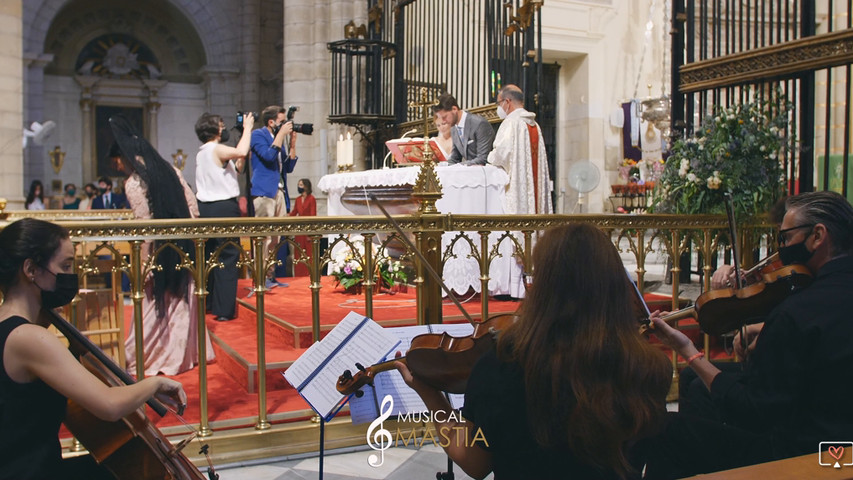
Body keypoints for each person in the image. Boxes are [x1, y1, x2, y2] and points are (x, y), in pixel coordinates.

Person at [396, 223, 672, 479]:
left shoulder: (504, 365)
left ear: (544, 289)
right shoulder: (649, 366)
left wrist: (429, 393)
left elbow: (475, 463)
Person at [644, 191, 853, 478]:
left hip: (805, 456)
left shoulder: (797, 312)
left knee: (663, 428)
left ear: (818, 236)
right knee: (697, 387)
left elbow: (753, 410)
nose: (780, 251)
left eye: (785, 238)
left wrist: (688, 351)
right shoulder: (815, 300)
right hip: (838, 433)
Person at [0, 218, 186, 479]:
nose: (70, 276)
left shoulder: (10, 327)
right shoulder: (29, 338)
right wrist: (153, 385)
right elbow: (108, 406)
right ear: (31, 269)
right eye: (65, 266)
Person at [108, 116, 215, 375]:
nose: (119, 166)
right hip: (182, 246)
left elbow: (145, 228)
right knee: (181, 302)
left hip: (159, 252)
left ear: (124, 157)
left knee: (156, 304)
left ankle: (155, 354)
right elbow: (193, 210)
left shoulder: (134, 182)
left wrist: (144, 265)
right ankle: (187, 354)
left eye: (118, 161)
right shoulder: (171, 170)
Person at [194, 112, 254, 322]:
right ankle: (224, 310)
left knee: (211, 256)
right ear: (215, 130)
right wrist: (247, 128)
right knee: (228, 257)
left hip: (206, 208)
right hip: (223, 207)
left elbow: (236, 165)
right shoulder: (216, 148)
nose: (224, 127)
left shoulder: (202, 152)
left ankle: (210, 303)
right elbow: (241, 151)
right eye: (221, 125)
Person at [250, 105, 297, 288]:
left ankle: (270, 276)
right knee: (264, 238)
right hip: (264, 192)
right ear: (271, 122)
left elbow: (288, 167)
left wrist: (292, 143)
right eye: (282, 122)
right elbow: (269, 156)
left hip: (279, 192)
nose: (285, 125)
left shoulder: (278, 139)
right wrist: (281, 135)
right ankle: (259, 278)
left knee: (276, 238)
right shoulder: (258, 135)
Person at [488, 84, 552, 215]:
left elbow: (501, 155)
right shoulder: (535, 125)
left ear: (507, 102)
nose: (498, 108)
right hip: (534, 186)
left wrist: (490, 157)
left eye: (499, 103)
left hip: (517, 186)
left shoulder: (511, 123)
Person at [434, 93, 495, 166]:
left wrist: (458, 166)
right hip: (468, 172)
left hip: (486, 172)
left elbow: (483, 158)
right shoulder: (454, 128)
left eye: (445, 117)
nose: (443, 121)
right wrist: (440, 166)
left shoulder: (479, 123)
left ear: (454, 109)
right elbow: (454, 158)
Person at [288, 178, 316, 277]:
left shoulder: (311, 199)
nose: (299, 187)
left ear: (306, 186)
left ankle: (310, 274)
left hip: (308, 229)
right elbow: (294, 212)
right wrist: (286, 216)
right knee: (298, 253)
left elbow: (313, 215)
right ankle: (299, 274)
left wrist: (311, 232)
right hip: (299, 230)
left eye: (301, 185)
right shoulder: (298, 199)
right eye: (298, 185)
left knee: (308, 254)